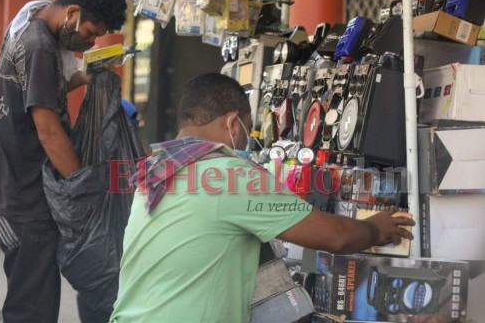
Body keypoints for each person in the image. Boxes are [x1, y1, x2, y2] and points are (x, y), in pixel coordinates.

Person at [110, 73, 415, 323]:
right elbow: (334, 237)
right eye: (245, 129)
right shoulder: (230, 175)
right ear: (232, 123)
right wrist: (376, 228)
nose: (245, 139)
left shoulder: (156, 170)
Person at [0, 0, 126, 323]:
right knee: (32, 309)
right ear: (72, 12)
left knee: (31, 301)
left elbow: (38, 95)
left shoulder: (31, 20)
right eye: (90, 32)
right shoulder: (38, 46)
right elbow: (48, 131)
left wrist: (81, 76)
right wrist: (82, 190)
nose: (89, 42)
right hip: (26, 201)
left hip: (12, 191)